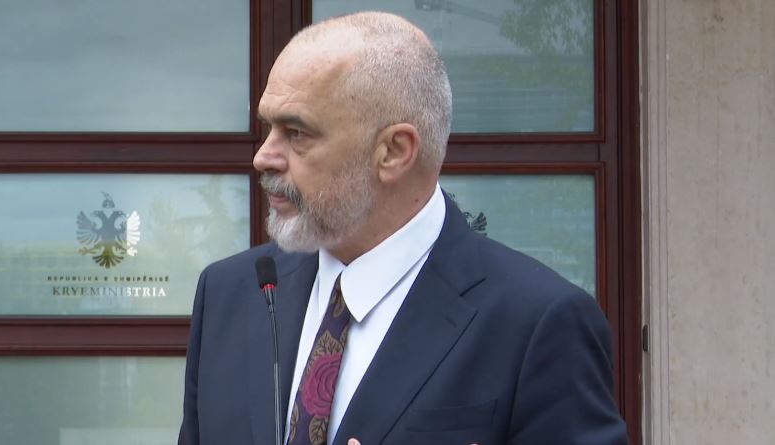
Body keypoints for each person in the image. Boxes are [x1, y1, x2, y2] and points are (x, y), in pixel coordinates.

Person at [178, 11, 627, 445]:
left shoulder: (538, 323)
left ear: (394, 151)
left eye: (296, 133)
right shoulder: (230, 293)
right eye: (268, 127)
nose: (263, 157)